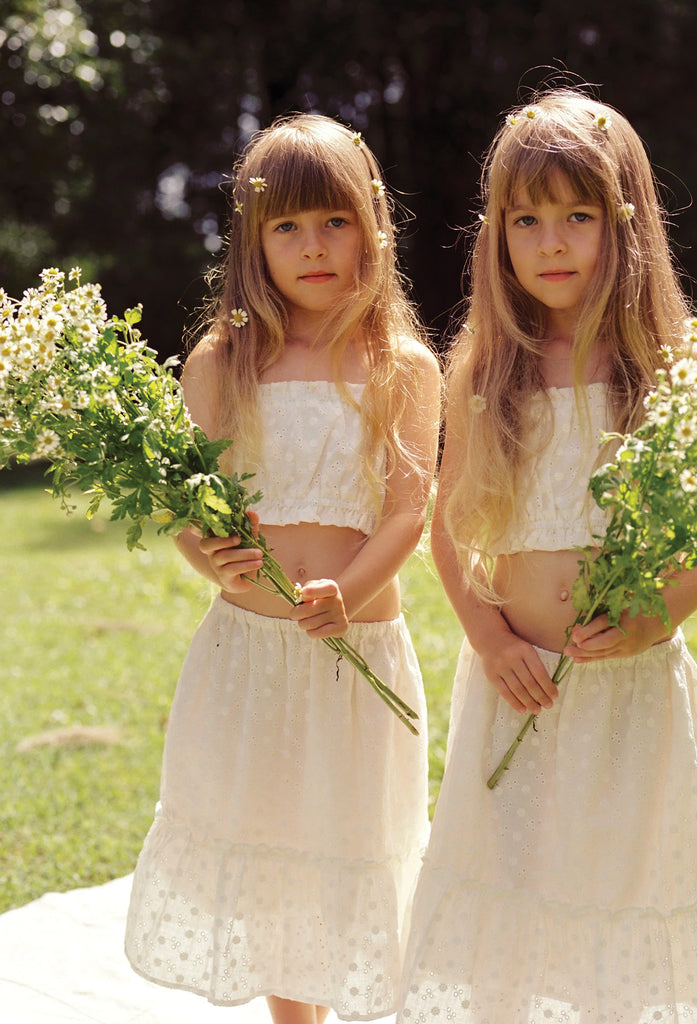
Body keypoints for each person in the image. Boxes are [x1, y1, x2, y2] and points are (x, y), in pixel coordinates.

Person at [397, 89, 697, 1024]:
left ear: (627, 222)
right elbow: (447, 518)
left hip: (628, 687)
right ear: (497, 235)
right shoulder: (487, 369)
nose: (552, 242)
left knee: (621, 885)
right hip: (518, 685)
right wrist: (484, 633)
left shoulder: (678, 367)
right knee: (511, 892)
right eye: (527, 219)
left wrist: (657, 614)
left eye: (579, 216)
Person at [124, 113, 441, 1024]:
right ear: (254, 243)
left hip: (359, 648)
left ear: (374, 227)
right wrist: (212, 561)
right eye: (287, 227)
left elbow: (407, 512)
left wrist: (354, 589)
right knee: (268, 846)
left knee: (342, 845)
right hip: (251, 655)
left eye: (334, 222)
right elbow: (187, 508)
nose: (313, 247)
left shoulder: (402, 367)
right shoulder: (224, 364)